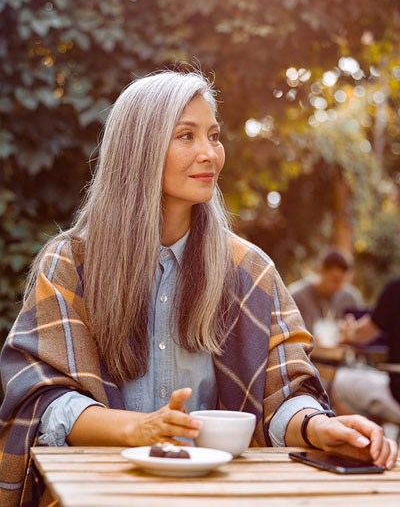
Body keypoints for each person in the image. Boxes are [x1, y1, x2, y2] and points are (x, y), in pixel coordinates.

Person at [0, 71, 396, 507]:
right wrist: (136, 428)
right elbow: (44, 398)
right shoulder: (70, 263)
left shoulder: (249, 270)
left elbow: (284, 394)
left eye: (213, 136)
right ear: (139, 149)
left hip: (219, 494)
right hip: (96, 491)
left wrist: (318, 427)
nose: (210, 154)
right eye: (186, 136)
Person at [333, 278, 400, 423]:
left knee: (337, 382)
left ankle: (365, 442)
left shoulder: (396, 290)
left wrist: (348, 332)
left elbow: (363, 334)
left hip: (397, 396)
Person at [289, 248, 363, 336]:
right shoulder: (296, 297)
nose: (340, 286)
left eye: (344, 281)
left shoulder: (350, 298)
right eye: (335, 280)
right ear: (320, 270)